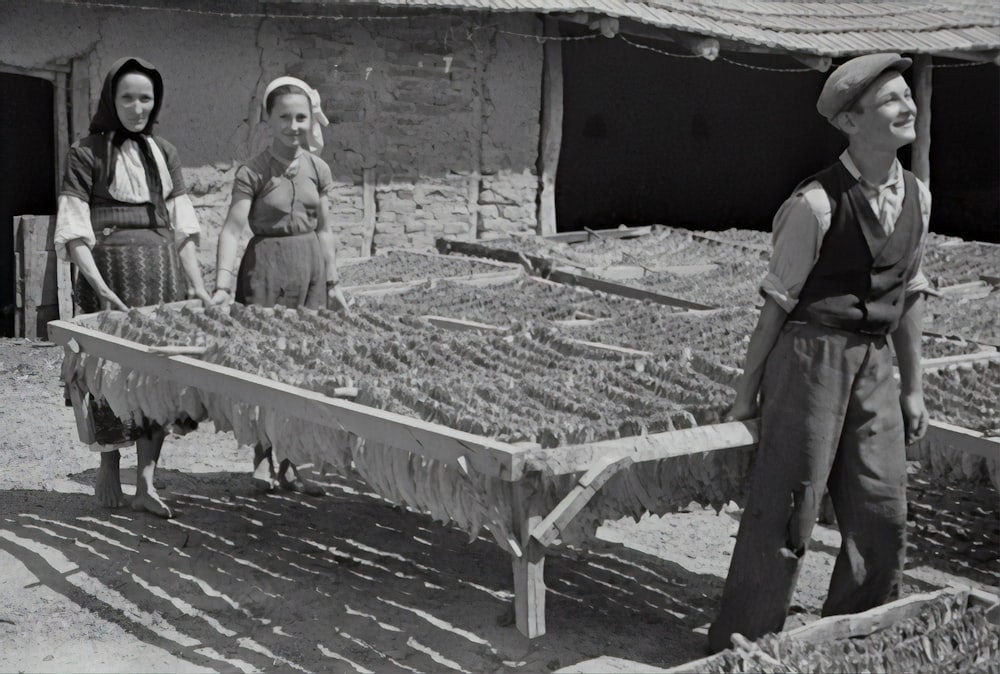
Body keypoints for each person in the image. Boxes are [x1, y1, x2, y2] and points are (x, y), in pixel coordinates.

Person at [708, 53, 932, 652]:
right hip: (812, 360)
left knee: (882, 505)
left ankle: (855, 633)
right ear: (850, 123)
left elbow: (908, 295)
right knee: (789, 502)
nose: (907, 106)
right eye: (889, 100)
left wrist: (913, 386)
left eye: (907, 94)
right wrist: (746, 391)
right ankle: (746, 641)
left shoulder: (919, 196)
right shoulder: (815, 204)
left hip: (875, 363)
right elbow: (776, 306)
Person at [55, 56, 213, 518]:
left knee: (155, 377)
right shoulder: (85, 153)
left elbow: (184, 230)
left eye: (146, 97)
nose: (137, 106)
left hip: (162, 276)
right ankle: (109, 461)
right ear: (111, 99)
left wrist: (198, 288)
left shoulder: (165, 153)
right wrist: (99, 287)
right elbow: (74, 229)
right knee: (105, 372)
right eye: (128, 97)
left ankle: (146, 481)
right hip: (110, 278)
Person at [213, 76, 348, 496]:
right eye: (285, 117)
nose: (294, 125)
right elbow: (233, 230)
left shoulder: (318, 169)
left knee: (304, 366)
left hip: (308, 270)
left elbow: (325, 229)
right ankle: (261, 456)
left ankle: (291, 463)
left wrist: (333, 281)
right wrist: (221, 285)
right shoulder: (252, 171)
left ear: (310, 121)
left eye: (301, 117)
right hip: (266, 270)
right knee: (264, 364)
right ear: (268, 120)